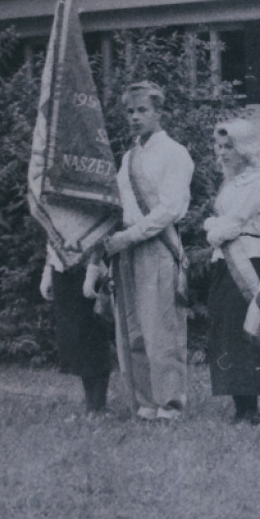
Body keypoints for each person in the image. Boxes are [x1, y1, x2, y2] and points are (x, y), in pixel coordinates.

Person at [104, 81, 195, 422]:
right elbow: (118, 204)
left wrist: (130, 237)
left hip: (157, 245)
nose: (135, 117)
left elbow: (169, 209)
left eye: (142, 110)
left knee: (161, 330)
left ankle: (170, 403)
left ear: (159, 112)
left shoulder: (174, 153)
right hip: (126, 246)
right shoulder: (128, 157)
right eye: (129, 111)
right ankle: (145, 401)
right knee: (133, 329)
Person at [203, 119, 260, 425]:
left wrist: (210, 228)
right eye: (219, 147)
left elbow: (231, 224)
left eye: (229, 146)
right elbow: (222, 223)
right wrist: (214, 227)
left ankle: (252, 408)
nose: (222, 153)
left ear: (244, 147)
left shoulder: (258, 182)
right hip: (224, 261)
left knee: (246, 328)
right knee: (225, 331)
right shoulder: (230, 183)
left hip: (247, 259)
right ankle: (237, 403)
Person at [39, 249, 113, 414]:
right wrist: (47, 272)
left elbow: (98, 239)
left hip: (88, 269)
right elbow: (53, 238)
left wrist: (92, 273)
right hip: (62, 272)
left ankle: (99, 405)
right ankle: (90, 404)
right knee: (76, 339)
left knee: (94, 337)